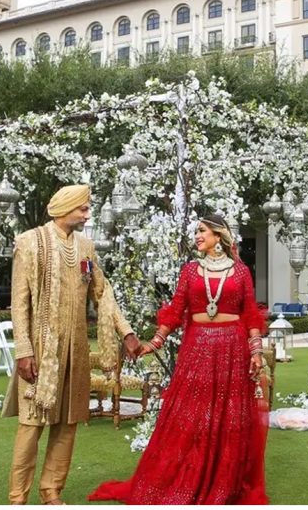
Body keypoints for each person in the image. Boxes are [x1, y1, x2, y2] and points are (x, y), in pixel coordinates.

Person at [89, 214, 269, 505]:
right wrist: (156, 341)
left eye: (202, 231)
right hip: (197, 347)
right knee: (192, 413)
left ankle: (224, 481)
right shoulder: (190, 271)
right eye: (196, 231)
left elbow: (249, 312)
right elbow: (176, 310)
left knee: (227, 415)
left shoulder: (239, 272)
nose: (197, 236)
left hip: (233, 349)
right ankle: (187, 476)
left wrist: (256, 350)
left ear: (218, 235)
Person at [4, 184, 143, 505]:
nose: (87, 213)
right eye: (83, 208)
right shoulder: (29, 242)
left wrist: (127, 333)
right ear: (65, 207)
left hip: (76, 349)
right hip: (41, 348)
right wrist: (23, 350)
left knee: (68, 423)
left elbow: (103, 293)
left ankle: (51, 491)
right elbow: (19, 303)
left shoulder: (86, 247)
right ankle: (17, 497)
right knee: (32, 424)